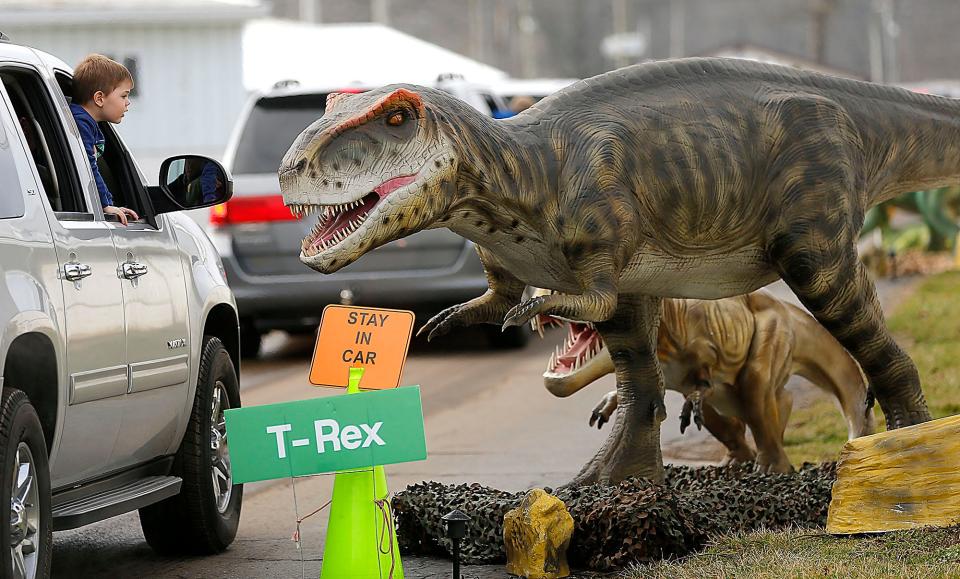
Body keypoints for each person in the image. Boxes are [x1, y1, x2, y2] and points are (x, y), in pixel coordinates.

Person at [69, 54, 139, 225]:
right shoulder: (81, 123)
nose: (128, 103)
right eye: (124, 96)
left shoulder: (91, 123)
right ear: (99, 98)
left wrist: (110, 202)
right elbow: (88, 167)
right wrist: (105, 205)